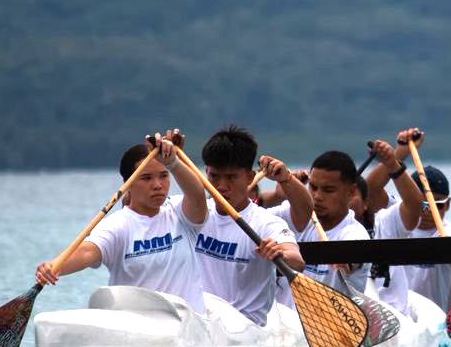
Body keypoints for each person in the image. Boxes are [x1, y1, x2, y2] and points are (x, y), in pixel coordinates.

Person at [35, 130, 209, 312]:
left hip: (188, 322)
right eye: (146, 178)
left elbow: (197, 195)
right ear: (129, 183)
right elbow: (87, 252)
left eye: (163, 175)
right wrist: (55, 266)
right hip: (136, 326)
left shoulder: (179, 212)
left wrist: (173, 163)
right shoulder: (118, 225)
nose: (158, 185)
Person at [194, 125, 303, 326]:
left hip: (247, 334)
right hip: (201, 328)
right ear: (205, 173)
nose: (221, 186)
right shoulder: (193, 214)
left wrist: (280, 252)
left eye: (231, 177)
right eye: (214, 176)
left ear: (250, 177)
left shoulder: (266, 222)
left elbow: (297, 261)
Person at [279, 150, 370, 306]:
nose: (317, 197)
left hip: (333, 327)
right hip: (287, 326)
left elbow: (354, 254)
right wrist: (286, 184)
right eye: (313, 187)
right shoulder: (292, 214)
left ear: (351, 192)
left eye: (328, 190)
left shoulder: (355, 234)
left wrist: (347, 260)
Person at [354, 132, 426, 314]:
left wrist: (394, 158)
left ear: (365, 203)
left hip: (394, 319)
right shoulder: (314, 225)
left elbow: (414, 205)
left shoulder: (384, 223)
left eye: (350, 195)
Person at [404, 162, 451, 310]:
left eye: (437, 204)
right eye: (423, 204)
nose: (428, 211)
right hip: (402, 316)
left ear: (448, 204)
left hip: (438, 316)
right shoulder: (396, 229)